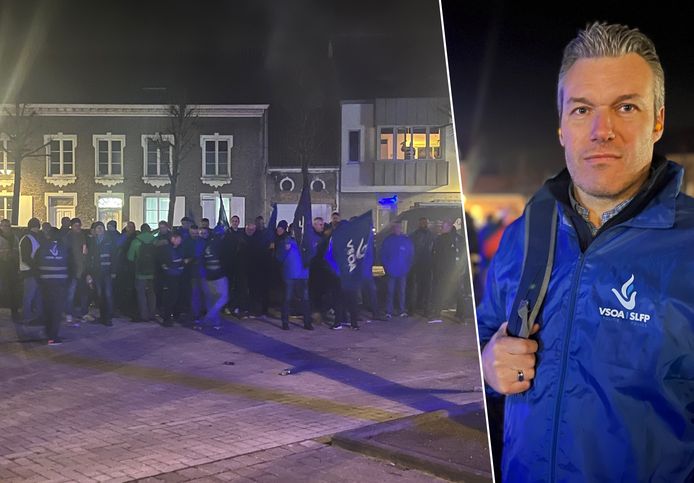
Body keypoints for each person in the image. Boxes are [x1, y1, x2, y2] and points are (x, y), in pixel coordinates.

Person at [477, 22, 694, 481]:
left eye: (626, 107)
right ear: (561, 126)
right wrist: (485, 367)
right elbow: (480, 335)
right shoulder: (524, 234)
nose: (602, 130)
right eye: (582, 109)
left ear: (657, 121)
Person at [274, 220, 312, 331]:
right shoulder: (285, 241)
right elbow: (278, 257)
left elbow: (312, 255)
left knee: (305, 300)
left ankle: (307, 322)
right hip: (289, 275)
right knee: (287, 299)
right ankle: (285, 322)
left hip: (303, 275)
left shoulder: (305, 243)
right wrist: (285, 250)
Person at [36, 227, 69, 345]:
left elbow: (36, 264)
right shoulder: (64, 248)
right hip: (60, 284)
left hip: (45, 283)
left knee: (47, 308)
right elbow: (70, 264)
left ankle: (48, 332)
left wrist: (40, 279)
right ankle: (53, 336)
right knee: (57, 310)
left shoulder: (42, 248)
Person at [380, 220, 414, 319]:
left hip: (403, 270)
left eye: (399, 227)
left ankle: (401, 310)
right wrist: (386, 266)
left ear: (401, 228)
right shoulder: (388, 240)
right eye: (395, 227)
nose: (397, 229)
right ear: (393, 229)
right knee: (390, 291)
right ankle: (389, 311)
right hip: (392, 270)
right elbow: (383, 254)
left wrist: (407, 267)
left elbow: (410, 255)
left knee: (401, 291)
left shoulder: (406, 240)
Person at [85, 221, 116, 326]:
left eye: (101, 228)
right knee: (100, 295)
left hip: (107, 271)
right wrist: (89, 273)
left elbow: (114, 256)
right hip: (96, 272)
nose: (100, 230)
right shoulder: (92, 242)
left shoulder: (109, 241)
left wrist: (113, 271)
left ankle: (108, 317)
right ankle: (103, 316)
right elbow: (89, 259)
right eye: (98, 228)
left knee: (107, 294)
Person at [128, 223, 157, 322]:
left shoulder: (136, 241)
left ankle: (144, 315)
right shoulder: (155, 240)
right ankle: (152, 314)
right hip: (152, 272)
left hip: (140, 273)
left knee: (141, 294)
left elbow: (130, 257)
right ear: (149, 230)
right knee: (152, 293)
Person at [407, 217, 435, 315]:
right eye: (423, 223)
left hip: (427, 264)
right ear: (419, 224)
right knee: (415, 287)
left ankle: (424, 309)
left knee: (426, 288)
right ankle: (413, 309)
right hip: (417, 264)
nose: (424, 224)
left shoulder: (431, 235)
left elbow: (434, 250)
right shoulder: (414, 235)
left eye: (426, 223)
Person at [19, 218, 43, 324]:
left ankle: (35, 316)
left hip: (32, 271)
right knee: (30, 295)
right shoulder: (29, 238)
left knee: (34, 295)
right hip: (30, 271)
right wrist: (36, 267)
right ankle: (27, 317)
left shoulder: (28, 238)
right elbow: (26, 258)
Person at [0, 219, 20, 321]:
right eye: (3, 225)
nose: (5, 227)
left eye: (7, 225)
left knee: (13, 290)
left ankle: (14, 311)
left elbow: (18, 251)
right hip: (2, 266)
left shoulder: (15, 238)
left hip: (12, 266)